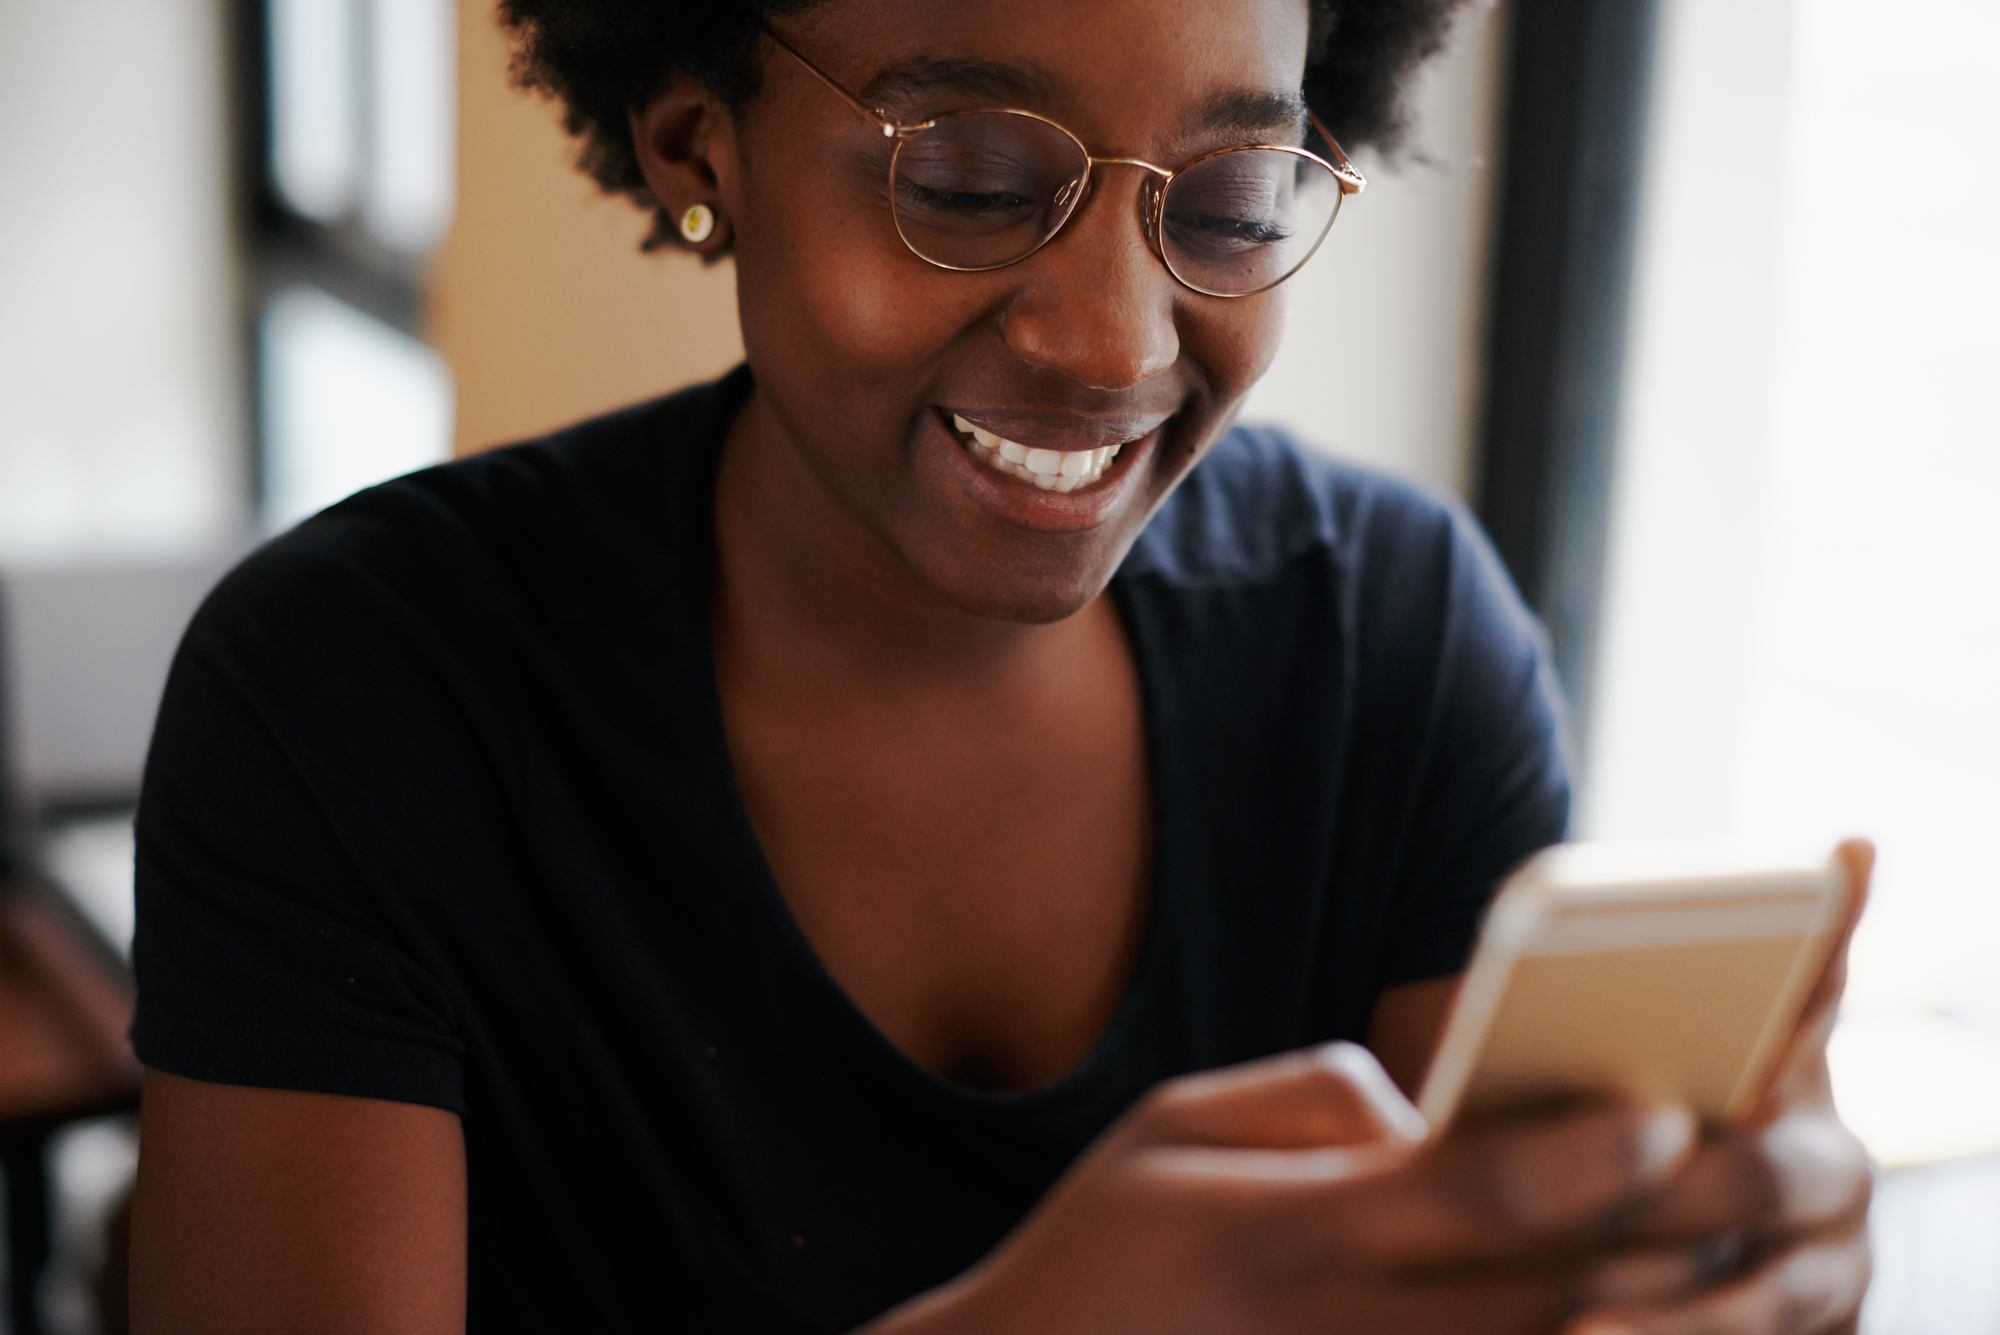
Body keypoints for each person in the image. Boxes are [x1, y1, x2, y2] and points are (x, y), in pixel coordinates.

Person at [125, 1, 1874, 1331]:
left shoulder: (1395, 638)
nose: (1113, 339)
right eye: (965, 178)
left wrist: (1704, 1248)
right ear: (693, 146)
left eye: (1238, 200)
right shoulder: (352, 697)